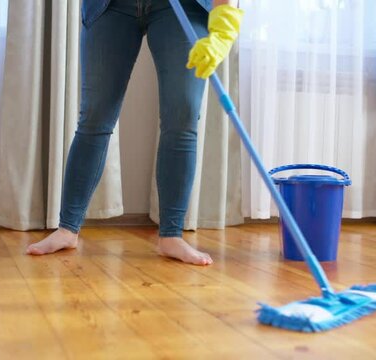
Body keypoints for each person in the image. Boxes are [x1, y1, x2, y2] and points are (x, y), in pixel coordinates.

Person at [26, 0, 243, 265]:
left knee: (182, 117)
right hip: (111, 6)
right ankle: (67, 229)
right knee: (95, 117)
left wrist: (223, 28)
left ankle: (171, 235)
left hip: (183, 7)